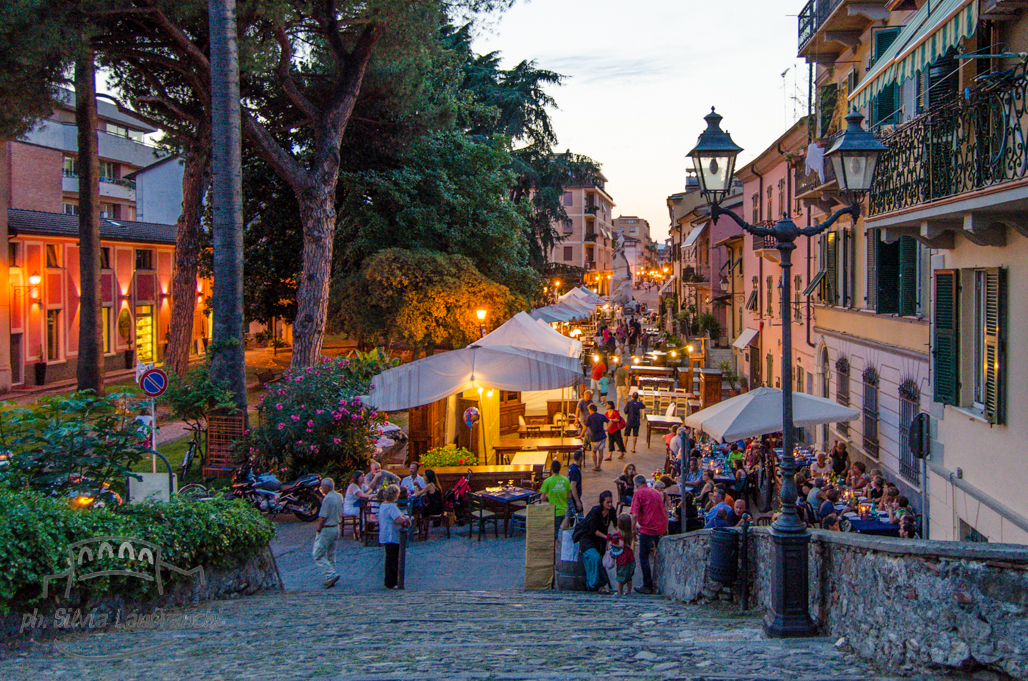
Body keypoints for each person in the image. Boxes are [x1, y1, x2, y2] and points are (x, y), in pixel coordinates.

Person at [630, 474, 668, 595]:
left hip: (648, 529)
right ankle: (660, 582)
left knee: (644, 557)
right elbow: (664, 510)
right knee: (659, 556)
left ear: (636, 484)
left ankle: (647, 584)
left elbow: (634, 514)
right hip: (659, 528)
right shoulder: (656, 492)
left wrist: (632, 530)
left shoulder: (638, 494)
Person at [578, 491, 618, 593]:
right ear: (602, 502)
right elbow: (593, 530)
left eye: (611, 502)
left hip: (600, 541)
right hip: (587, 538)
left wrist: (619, 534)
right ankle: (596, 585)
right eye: (607, 502)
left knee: (599, 560)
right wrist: (607, 537)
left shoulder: (611, 511)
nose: (610, 504)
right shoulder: (595, 511)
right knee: (595, 558)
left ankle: (596, 584)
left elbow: (616, 524)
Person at [313, 478, 344, 588]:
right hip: (336, 527)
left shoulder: (327, 499)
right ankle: (331, 576)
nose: (321, 489)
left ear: (326, 487)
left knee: (318, 554)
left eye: (322, 486)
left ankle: (331, 574)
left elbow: (322, 517)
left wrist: (318, 529)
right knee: (331, 554)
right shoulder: (339, 496)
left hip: (327, 529)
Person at [378, 485, 411, 589]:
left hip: (385, 534)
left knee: (389, 559)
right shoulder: (391, 506)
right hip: (391, 535)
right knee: (393, 559)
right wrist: (405, 518)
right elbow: (398, 519)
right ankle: (391, 581)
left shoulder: (383, 505)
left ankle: (388, 580)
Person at [540, 459, 571, 538]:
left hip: (554, 511)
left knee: (555, 534)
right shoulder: (566, 480)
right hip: (565, 511)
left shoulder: (547, 481)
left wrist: (549, 497)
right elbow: (569, 496)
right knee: (564, 533)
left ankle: (556, 548)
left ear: (551, 469)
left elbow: (542, 498)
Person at [609, 513, 636, 595]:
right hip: (630, 556)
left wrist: (613, 544)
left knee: (620, 575)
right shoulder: (631, 533)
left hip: (622, 557)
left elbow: (621, 545)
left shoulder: (619, 534)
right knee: (629, 576)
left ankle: (619, 591)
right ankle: (628, 591)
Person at [343, 471, 371, 539]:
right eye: (362, 476)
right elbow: (361, 495)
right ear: (357, 478)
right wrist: (371, 495)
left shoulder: (362, 485)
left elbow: (370, 489)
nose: (363, 477)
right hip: (350, 507)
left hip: (358, 506)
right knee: (365, 513)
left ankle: (363, 528)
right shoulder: (353, 486)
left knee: (369, 512)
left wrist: (367, 493)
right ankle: (359, 530)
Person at [584, 403, 610, 471]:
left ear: (591, 410)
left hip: (594, 437)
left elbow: (585, 427)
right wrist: (607, 429)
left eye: (589, 410)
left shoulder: (589, 417)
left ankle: (595, 465)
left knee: (594, 452)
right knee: (601, 452)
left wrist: (580, 435)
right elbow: (610, 422)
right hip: (602, 436)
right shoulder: (601, 416)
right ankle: (599, 466)